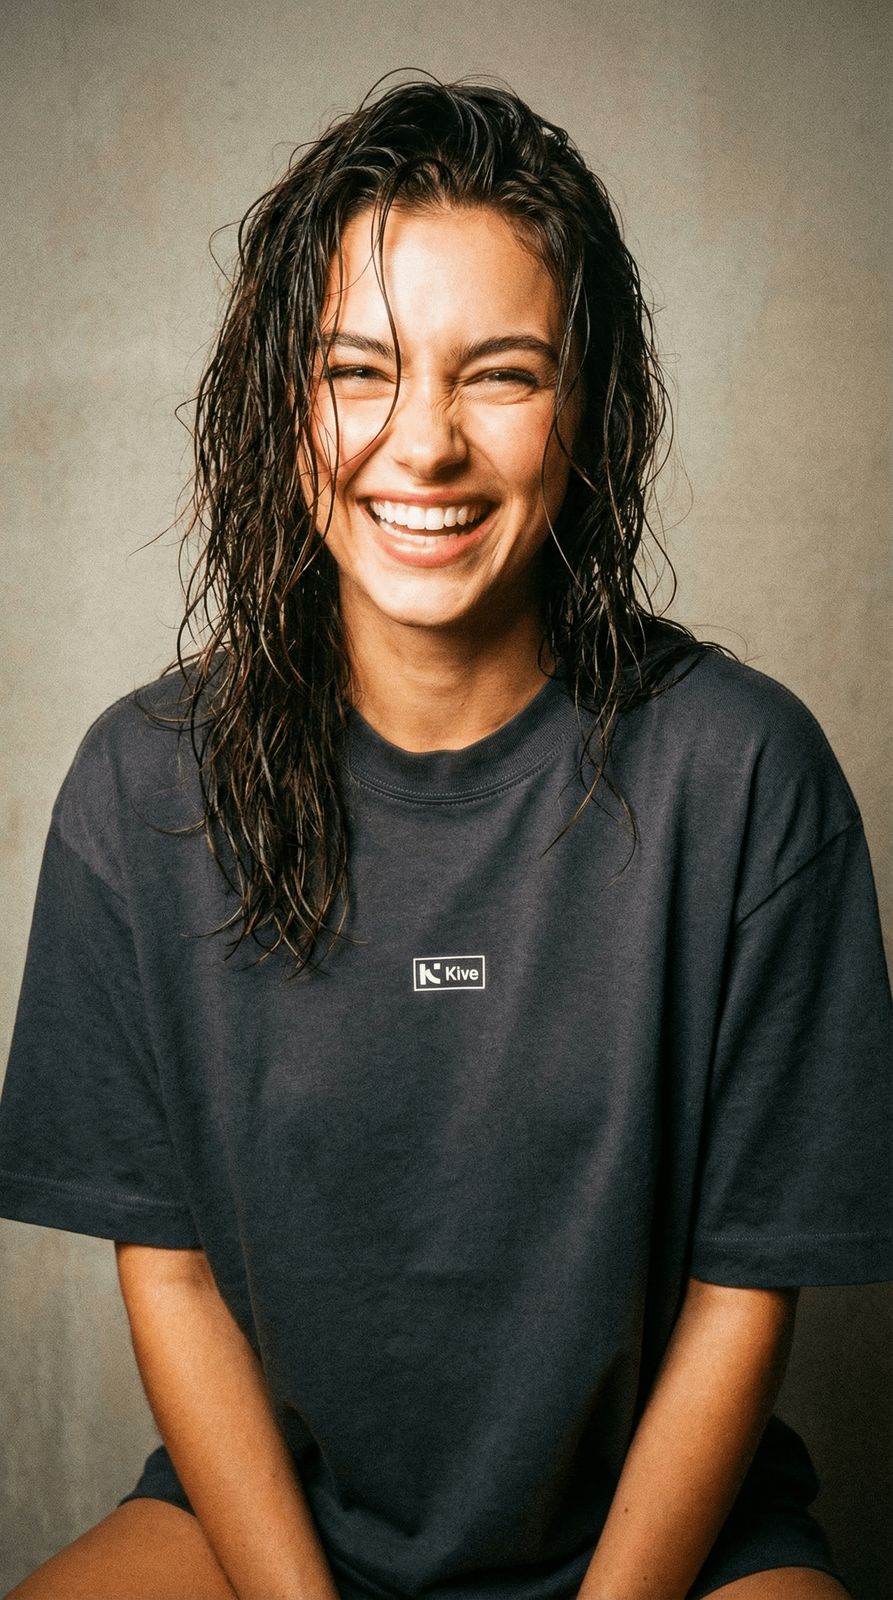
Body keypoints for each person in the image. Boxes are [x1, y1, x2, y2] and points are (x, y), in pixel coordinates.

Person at [0, 76, 890, 1600]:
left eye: (501, 375)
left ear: (583, 409)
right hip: (265, 1534)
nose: (424, 444)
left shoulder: (746, 777)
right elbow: (176, 1278)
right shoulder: (140, 787)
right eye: (359, 369)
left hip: (675, 1552)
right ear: (284, 407)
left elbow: (740, 1296)